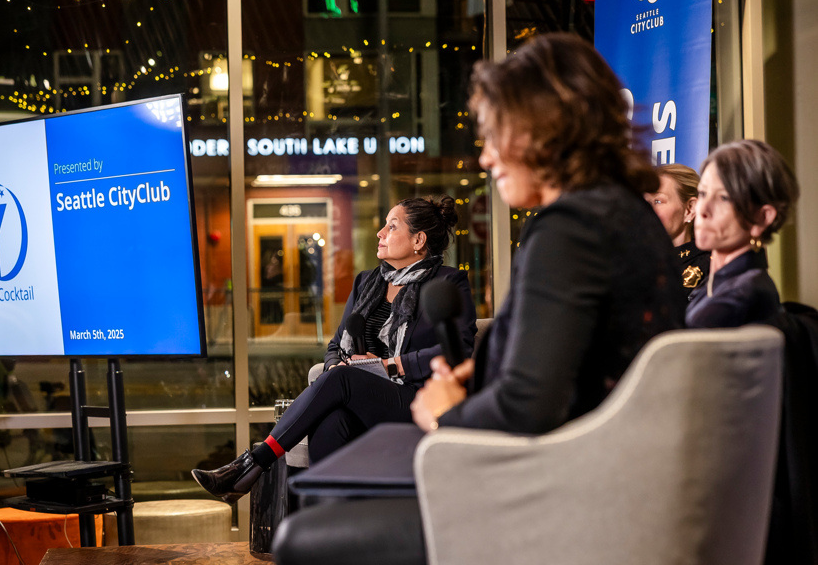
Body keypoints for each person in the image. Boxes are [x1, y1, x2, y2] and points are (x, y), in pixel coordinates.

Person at [272, 33, 686, 565]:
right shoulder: (629, 220)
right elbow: (576, 364)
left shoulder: (567, 231)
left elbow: (529, 406)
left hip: (554, 492)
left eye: (495, 136)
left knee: (301, 538)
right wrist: (487, 373)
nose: (487, 157)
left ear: (544, 131)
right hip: (605, 475)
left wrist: (447, 415)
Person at [192, 195, 477, 503]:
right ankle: (327, 518)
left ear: (418, 240)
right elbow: (335, 345)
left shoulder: (448, 283)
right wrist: (333, 366)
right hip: (360, 393)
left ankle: (253, 465)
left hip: (416, 398)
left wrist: (389, 365)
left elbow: (458, 350)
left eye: (392, 227)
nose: (380, 233)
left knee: (341, 381)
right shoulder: (367, 282)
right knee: (331, 418)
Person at [685, 139, 799, 329]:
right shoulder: (719, 284)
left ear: (762, 217)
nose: (703, 209)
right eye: (703, 193)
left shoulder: (738, 299)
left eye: (723, 198)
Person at [645, 164, 710, 299]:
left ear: (690, 209)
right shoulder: (632, 262)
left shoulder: (710, 268)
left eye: (658, 201)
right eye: (644, 202)